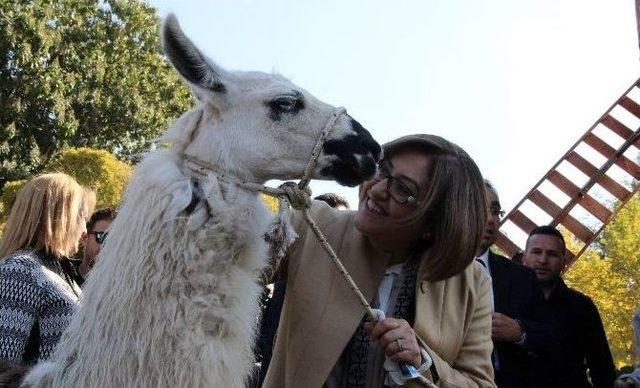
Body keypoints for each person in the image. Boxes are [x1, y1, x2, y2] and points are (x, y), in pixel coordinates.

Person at [263, 134, 495, 387]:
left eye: (403, 189)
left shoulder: (473, 283)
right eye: (381, 169)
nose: (376, 189)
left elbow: (480, 382)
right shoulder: (313, 224)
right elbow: (224, 262)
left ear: (435, 223)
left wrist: (424, 362)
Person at [0, 173, 94, 364]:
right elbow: (3, 364)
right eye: (81, 216)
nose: (85, 230)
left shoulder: (59, 270)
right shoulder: (19, 270)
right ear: (57, 215)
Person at [474, 181, 553, 387]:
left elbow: (550, 338)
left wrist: (520, 332)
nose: (490, 219)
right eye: (481, 208)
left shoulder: (523, 278)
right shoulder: (431, 269)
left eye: (495, 211)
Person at [522, 225, 616, 388]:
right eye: (536, 252)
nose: (543, 260)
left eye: (552, 254)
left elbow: (602, 367)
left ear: (563, 262)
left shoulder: (583, 307)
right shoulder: (508, 302)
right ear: (525, 258)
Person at [77, 207, 117, 284]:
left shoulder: (119, 289)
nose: (107, 246)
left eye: (115, 240)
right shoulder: (61, 273)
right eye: (103, 237)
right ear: (85, 238)